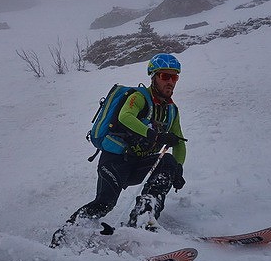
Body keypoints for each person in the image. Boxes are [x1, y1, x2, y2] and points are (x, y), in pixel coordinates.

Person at [50, 53, 187, 248]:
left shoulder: (172, 110)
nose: (171, 82)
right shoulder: (139, 97)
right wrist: (154, 135)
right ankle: (64, 236)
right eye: (165, 76)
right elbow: (125, 116)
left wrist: (178, 169)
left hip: (139, 164)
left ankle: (143, 220)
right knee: (105, 203)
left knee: (168, 163)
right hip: (114, 162)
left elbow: (179, 142)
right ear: (153, 76)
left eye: (175, 77)